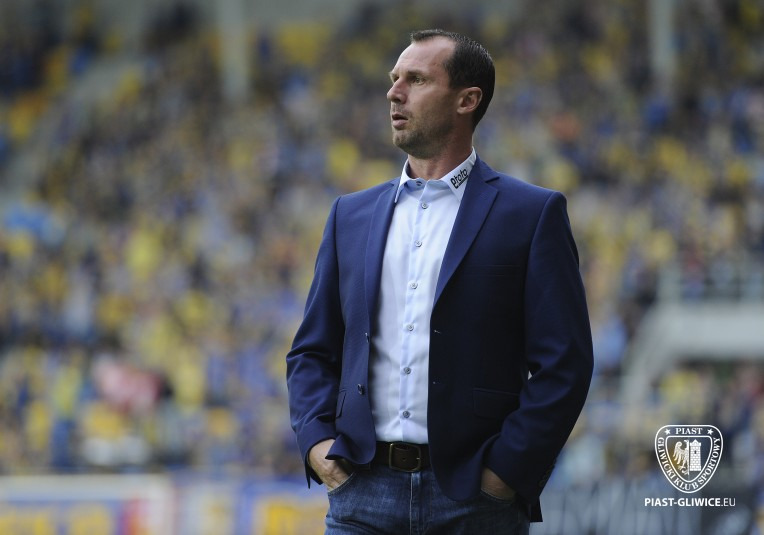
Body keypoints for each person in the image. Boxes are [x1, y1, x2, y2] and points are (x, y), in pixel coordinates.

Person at [286, 29, 593, 534]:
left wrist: (505, 474)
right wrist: (318, 444)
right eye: (394, 79)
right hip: (361, 494)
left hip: (474, 500)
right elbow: (311, 351)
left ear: (467, 100)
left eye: (416, 79)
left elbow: (565, 364)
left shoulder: (531, 214)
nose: (394, 92)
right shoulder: (349, 215)